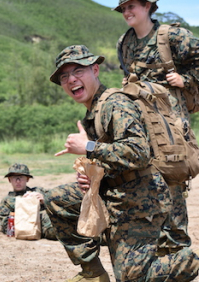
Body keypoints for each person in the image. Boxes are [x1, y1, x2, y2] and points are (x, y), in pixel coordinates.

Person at [44, 44, 199, 282]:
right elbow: (113, 158)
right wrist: (91, 174)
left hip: (141, 200)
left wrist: (89, 147)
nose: (71, 80)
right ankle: (92, 273)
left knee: (130, 278)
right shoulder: (93, 112)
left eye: (78, 71)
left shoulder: (115, 103)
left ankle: (188, 261)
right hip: (115, 193)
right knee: (57, 199)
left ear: (95, 70)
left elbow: (137, 153)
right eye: (64, 76)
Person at [113, 0, 199, 257]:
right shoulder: (124, 43)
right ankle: (159, 259)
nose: (127, 12)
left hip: (171, 127)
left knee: (172, 188)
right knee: (146, 189)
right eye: (124, 8)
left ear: (148, 6)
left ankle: (180, 258)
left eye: (132, 6)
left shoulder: (173, 36)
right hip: (141, 128)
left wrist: (185, 79)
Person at [0, 163, 57, 240]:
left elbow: (60, 201)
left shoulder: (39, 191)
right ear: (9, 180)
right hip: (33, 229)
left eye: (21, 177)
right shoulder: (7, 201)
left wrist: (45, 200)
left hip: (52, 224)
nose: (18, 181)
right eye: (15, 178)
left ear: (27, 179)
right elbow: (5, 225)